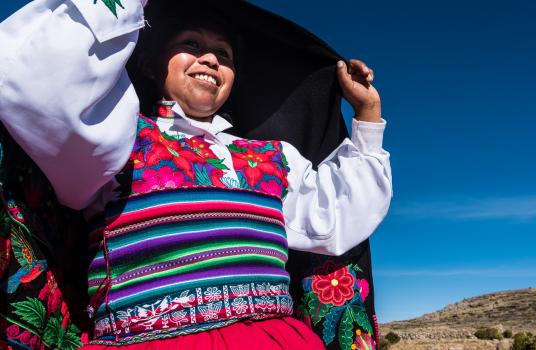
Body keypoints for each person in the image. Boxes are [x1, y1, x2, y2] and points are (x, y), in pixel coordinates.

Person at [0, 0, 392, 348]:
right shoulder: (117, 139)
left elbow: (336, 215)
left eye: (223, 54)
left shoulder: (273, 159)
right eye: (191, 45)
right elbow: (38, 85)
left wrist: (367, 113)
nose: (210, 59)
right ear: (154, 66)